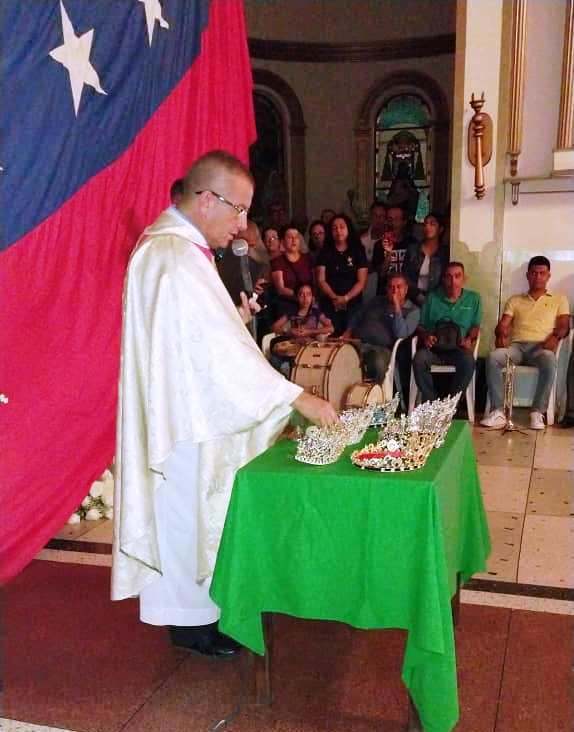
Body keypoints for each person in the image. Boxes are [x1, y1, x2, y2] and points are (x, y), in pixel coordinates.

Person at [111, 150, 338, 659]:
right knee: (186, 516)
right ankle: (190, 625)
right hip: (185, 420)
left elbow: (204, 339)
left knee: (191, 516)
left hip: (188, 408)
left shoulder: (174, 250)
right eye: (238, 210)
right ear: (207, 199)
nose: (242, 227)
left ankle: (196, 617)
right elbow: (218, 354)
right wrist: (296, 396)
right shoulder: (173, 258)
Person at [481, 256, 570, 430]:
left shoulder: (559, 299)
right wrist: (501, 332)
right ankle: (498, 412)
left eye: (542, 273)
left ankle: (537, 412)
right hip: (517, 348)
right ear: (528, 275)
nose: (538, 277)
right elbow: (503, 324)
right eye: (534, 273)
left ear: (548, 276)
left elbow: (564, 325)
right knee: (493, 357)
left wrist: (554, 337)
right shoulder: (515, 300)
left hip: (542, 348)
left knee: (549, 359)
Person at [412, 261, 482, 403]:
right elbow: (420, 326)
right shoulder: (432, 298)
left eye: (457, 276)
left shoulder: (474, 298)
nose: (453, 281)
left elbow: (476, 326)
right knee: (419, 359)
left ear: (464, 279)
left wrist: (469, 339)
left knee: (469, 362)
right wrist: (426, 336)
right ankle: (432, 404)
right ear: (443, 279)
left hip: (458, 349)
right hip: (434, 350)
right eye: (449, 276)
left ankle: (450, 406)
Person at [342, 272, 419, 386]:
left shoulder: (412, 311)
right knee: (340, 357)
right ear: (387, 289)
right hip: (358, 343)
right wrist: (348, 330)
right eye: (391, 287)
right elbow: (358, 316)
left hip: (382, 349)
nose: (394, 291)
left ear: (406, 289)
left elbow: (401, 333)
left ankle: (371, 395)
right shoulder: (376, 301)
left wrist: (397, 308)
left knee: (376, 362)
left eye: (399, 287)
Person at [316, 214, 368, 335]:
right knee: (330, 335)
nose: (338, 231)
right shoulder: (325, 252)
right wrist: (335, 298)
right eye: (334, 228)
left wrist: (345, 298)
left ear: (348, 228)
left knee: (351, 336)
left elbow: (362, 282)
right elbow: (321, 280)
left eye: (342, 227)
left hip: (353, 301)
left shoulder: (358, 250)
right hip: (330, 301)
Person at [403, 212, 448, 306]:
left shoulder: (444, 253)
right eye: (425, 224)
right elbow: (406, 276)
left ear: (440, 229)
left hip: (436, 301)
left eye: (432, 224)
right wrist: (418, 296)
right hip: (413, 299)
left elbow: (445, 280)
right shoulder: (413, 249)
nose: (427, 227)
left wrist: (432, 299)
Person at [371, 205, 417, 294]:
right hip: (386, 292)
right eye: (390, 219)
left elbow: (415, 273)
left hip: (407, 292)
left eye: (396, 219)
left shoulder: (412, 243)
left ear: (404, 222)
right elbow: (382, 273)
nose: (392, 223)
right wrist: (389, 252)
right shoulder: (379, 245)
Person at [270, 224, 314, 317]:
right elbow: (280, 289)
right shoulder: (277, 262)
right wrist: (301, 296)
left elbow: (316, 282)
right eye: (290, 237)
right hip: (288, 305)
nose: (294, 240)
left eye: (296, 237)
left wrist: (309, 298)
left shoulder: (308, 258)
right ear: (283, 241)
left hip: (309, 303)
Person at [361, 201, 387, 302]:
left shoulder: (388, 240)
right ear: (370, 216)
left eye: (381, 216)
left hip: (380, 287)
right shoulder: (360, 236)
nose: (378, 219)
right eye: (375, 215)